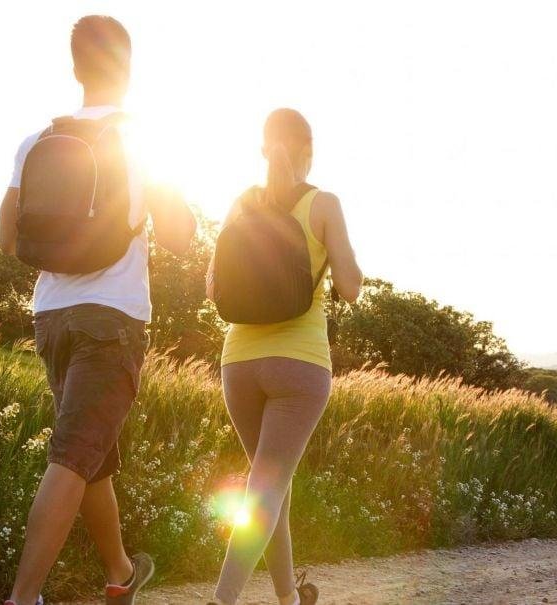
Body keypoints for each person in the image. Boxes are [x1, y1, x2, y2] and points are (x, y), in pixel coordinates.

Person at [0, 15, 196, 605]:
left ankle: (120, 573)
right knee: (73, 457)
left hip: (50, 316)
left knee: (92, 457)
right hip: (112, 318)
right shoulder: (140, 144)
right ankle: (22, 598)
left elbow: (7, 238)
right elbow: (182, 238)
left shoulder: (36, 141)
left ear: (76, 69)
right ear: (127, 72)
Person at [205, 108, 364, 605]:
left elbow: (212, 286)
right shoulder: (324, 204)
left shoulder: (240, 205)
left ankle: (290, 600)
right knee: (267, 489)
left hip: (239, 361)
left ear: (263, 149)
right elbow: (352, 288)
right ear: (308, 152)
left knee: (272, 487)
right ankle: (221, 601)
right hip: (299, 362)